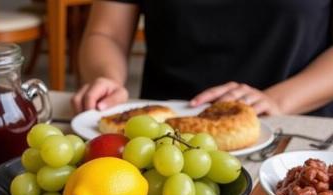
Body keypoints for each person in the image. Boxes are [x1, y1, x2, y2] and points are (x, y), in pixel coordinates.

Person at [73, 0, 333, 116]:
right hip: (164, 134)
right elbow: (106, 33)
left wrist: (276, 100)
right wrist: (106, 76)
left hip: (293, 127)